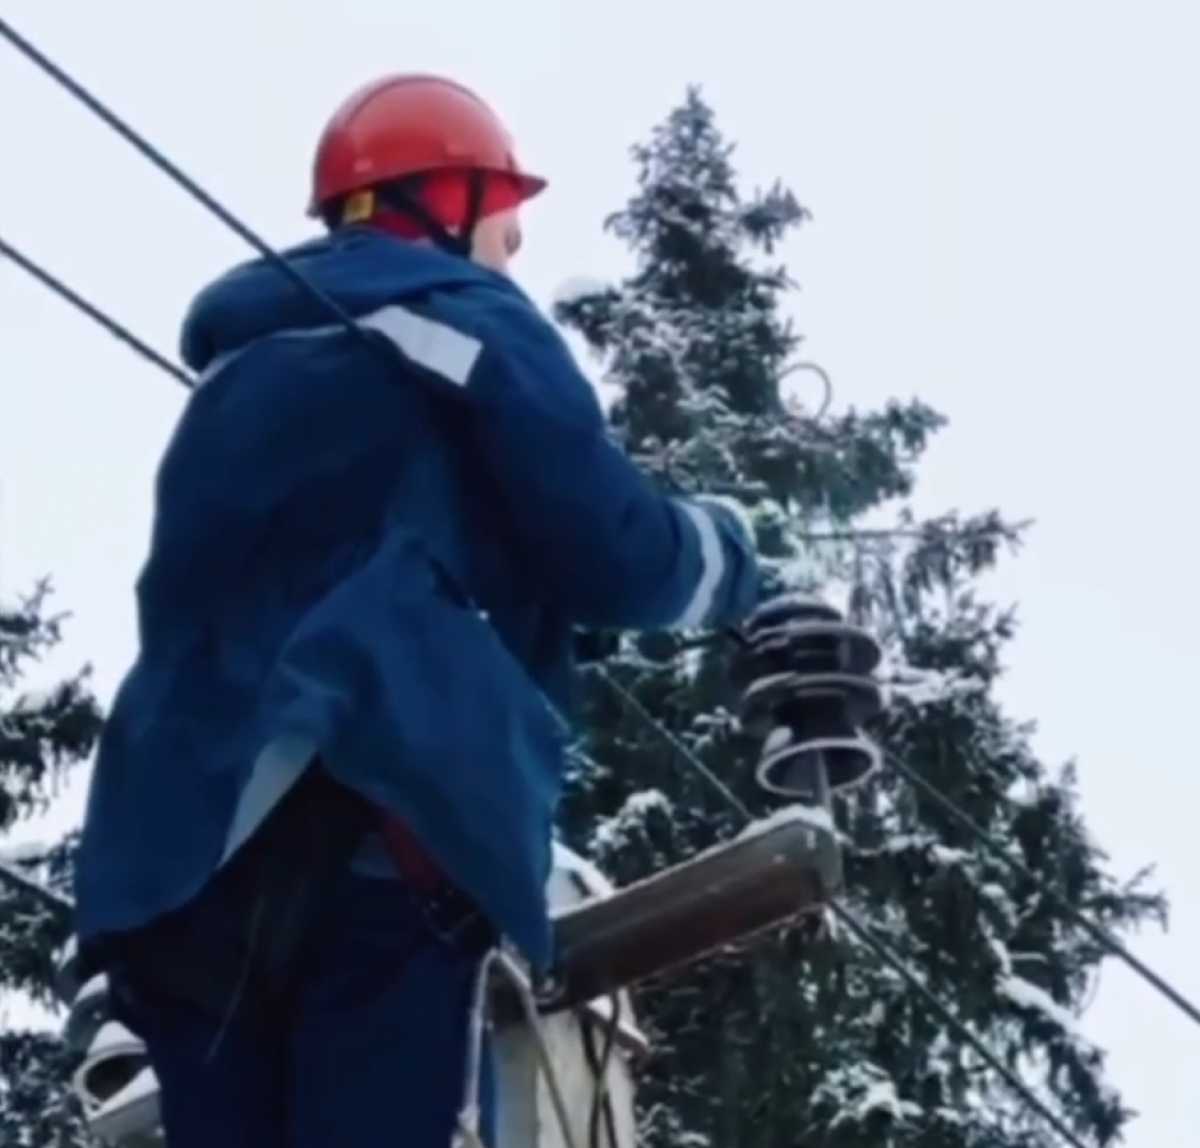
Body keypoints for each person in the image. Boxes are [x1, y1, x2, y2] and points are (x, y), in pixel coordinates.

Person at [73, 73, 759, 1147]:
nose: (515, 249)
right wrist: (733, 557)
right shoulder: (469, 321)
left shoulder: (237, 369)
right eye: (505, 216)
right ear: (444, 197)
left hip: (177, 859)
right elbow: (618, 555)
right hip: (379, 817)